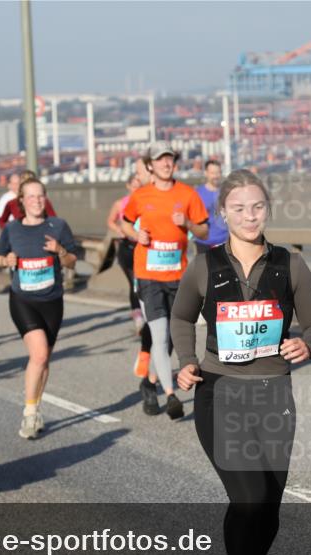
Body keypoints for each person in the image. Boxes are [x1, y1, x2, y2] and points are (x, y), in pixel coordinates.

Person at [171, 169, 311, 555]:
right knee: (250, 496)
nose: (249, 216)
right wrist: (185, 361)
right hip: (220, 392)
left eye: (257, 207)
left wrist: (308, 345)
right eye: (239, 208)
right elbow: (181, 315)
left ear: (268, 210)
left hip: (274, 394)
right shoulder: (205, 264)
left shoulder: (290, 264)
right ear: (223, 213)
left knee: (270, 506)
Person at [121, 141, 209, 419]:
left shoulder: (187, 194)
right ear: (151, 165)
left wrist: (188, 225)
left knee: (172, 335)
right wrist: (136, 235)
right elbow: (125, 222)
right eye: (160, 159)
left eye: (169, 158)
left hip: (178, 276)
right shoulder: (141, 195)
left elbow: (204, 231)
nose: (165, 163)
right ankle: (171, 396)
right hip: (148, 276)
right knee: (159, 335)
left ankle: (149, 383)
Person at [0, 178, 77, 439]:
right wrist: (5, 260)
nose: (37, 201)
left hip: (52, 301)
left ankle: (36, 406)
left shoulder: (58, 225)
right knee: (38, 355)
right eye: (31, 196)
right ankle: (29, 414)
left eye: (40, 196)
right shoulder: (12, 229)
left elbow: (73, 262)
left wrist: (60, 250)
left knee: (44, 360)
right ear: (22, 201)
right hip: (23, 300)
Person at [107, 173, 146, 332]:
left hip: (143, 246)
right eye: (134, 185)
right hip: (126, 247)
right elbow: (110, 221)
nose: (137, 189)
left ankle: (147, 313)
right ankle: (138, 316)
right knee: (134, 283)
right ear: (128, 186)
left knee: (144, 282)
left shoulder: (146, 202)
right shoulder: (120, 203)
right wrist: (120, 230)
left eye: (139, 186)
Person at [192, 160, 229, 254]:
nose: (215, 176)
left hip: (224, 241)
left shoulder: (227, 192)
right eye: (212, 173)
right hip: (203, 243)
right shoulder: (197, 194)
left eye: (218, 172)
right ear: (206, 173)